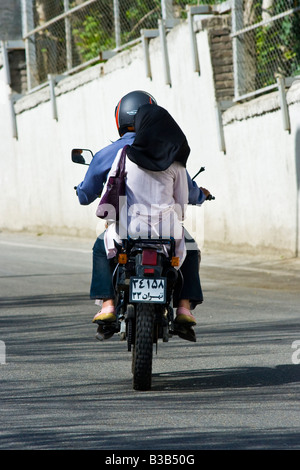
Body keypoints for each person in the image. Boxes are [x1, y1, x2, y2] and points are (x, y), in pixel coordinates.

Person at [75, 91, 211, 334]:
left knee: (100, 247)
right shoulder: (174, 158)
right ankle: (183, 308)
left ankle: (107, 305)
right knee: (191, 248)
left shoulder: (120, 154)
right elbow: (183, 201)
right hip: (168, 232)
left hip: (127, 230)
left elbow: (104, 190)